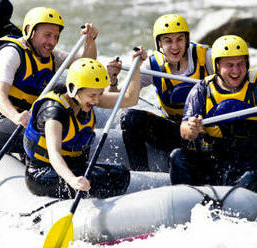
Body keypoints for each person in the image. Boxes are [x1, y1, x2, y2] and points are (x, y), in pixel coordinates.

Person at [0, 7, 99, 155]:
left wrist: (90, 40)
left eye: (56, 36)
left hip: (25, 117)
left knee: (62, 93)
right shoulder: (11, 55)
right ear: (29, 31)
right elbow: (0, 97)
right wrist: (16, 117)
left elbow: (86, 64)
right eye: (47, 35)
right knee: (49, 135)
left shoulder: (51, 55)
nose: (52, 42)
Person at [24, 49, 147, 199]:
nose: (96, 100)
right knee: (98, 178)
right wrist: (72, 180)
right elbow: (54, 154)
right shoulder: (53, 112)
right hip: (43, 173)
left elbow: (130, 99)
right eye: (92, 95)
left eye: (100, 94)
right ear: (73, 89)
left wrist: (137, 66)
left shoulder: (85, 98)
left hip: (74, 166)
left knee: (120, 174)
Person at [107, 14, 213, 171]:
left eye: (179, 39)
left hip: (206, 131)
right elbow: (120, 98)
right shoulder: (153, 65)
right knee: (130, 118)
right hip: (175, 131)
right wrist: (113, 79)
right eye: (168, 41)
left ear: (187, 39)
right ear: (159, 43)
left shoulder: (207, 57)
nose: (175, 46)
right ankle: (141, 174)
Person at [169, 35, 257, 192]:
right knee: (178, 156)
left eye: (240, 64)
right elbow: (184, 130)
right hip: (213, 158)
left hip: (249, 159)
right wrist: (192, 128)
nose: (236, 71)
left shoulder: (254, 85)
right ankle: (188, 201)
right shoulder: (202, 90)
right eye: (229, 65)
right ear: (217, 65)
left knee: (251, 176)